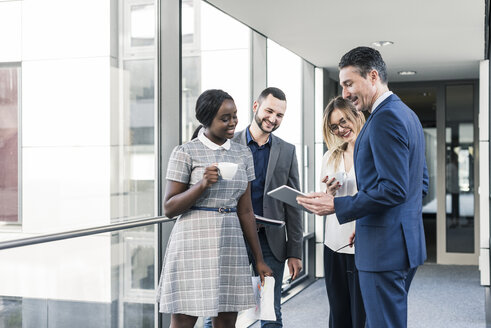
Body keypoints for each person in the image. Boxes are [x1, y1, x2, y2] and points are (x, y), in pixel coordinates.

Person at [297, 47, 429, 328]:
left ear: (372, 76)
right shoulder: (407, 115)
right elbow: (419, 185)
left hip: (385, 250)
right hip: (399, 243)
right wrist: (368, 219)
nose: (345, 93)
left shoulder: (385, 119)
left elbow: (394, 189)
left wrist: (337, 204)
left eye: (348, 83)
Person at [156, 89, 272, 328]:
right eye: (225, 118)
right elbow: (169, 208)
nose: (233, 122)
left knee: (228, 319)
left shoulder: (243, 153)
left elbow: (246, 211)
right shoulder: (185, 152)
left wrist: (258, 259)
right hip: (192, 242)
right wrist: (202, 184)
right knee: (184, 318)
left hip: (230, 240)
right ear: (207, 120)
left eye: (235, 115)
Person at [204, 87, 304, 328]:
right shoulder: (227, 143)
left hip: (271, 242)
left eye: (279, 115)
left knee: (270, 312)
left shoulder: (287, 151)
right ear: (256, 107)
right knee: (219, 309)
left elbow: (293, 205)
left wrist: (295, 251)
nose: (273, 118)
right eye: (269, 110)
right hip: (233, 237)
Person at [321, 96, 366, 328]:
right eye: (334, 126)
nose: (340, 129)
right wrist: (328, 191)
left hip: (362, 242)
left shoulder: (372, 151)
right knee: (338, 314)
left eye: (344, 121)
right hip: (334, 243)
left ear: (357, 115)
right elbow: (328, 202)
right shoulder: (331, 156)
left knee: (361, 315)